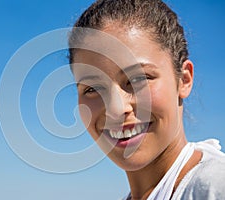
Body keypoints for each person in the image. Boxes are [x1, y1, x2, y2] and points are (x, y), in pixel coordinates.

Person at [68, 0, 225, 199]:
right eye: (92, 88)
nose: (116, 109)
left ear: (184, 79)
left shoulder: (215, 187)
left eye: (138, 79)